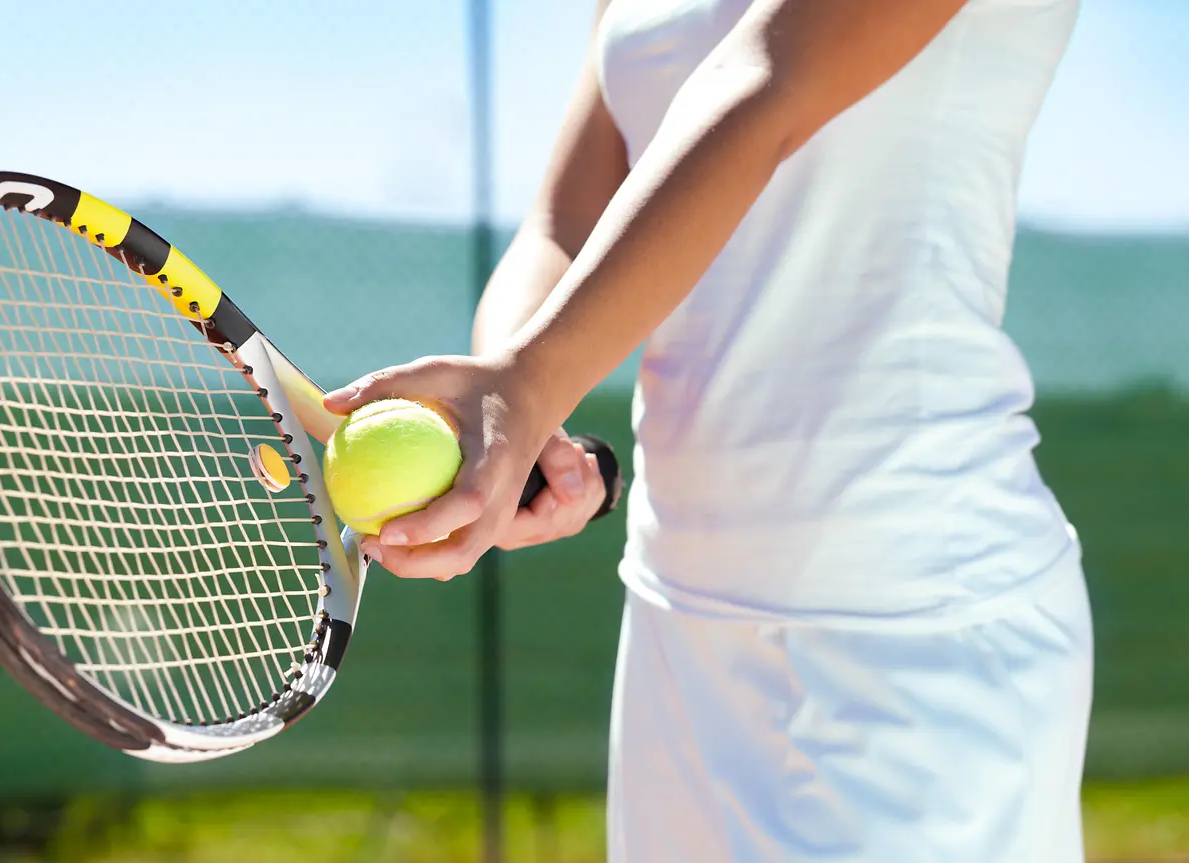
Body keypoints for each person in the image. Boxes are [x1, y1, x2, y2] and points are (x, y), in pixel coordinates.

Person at [325, 0, 1092, 859]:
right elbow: (564, 224)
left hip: (913, 629)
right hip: (675, 616)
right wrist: (516, 424)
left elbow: (765, 84)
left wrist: (527, 387)